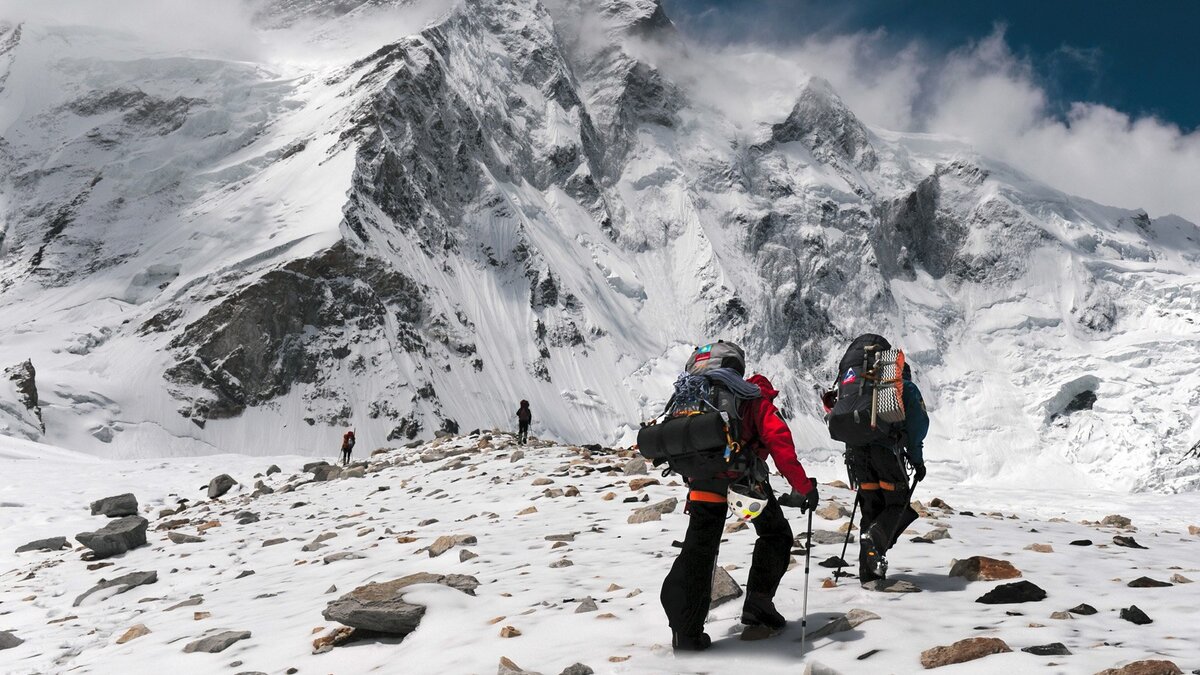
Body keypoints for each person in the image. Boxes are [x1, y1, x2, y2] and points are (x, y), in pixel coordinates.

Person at [657, 342, 819, 652]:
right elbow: (779, 442)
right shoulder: (750, 395)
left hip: (703, 483)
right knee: (775, 534)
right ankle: (758, 604)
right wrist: (803, 487)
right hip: (744, 483)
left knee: (699, 549)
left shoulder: (692, 394)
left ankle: (685, 631)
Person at [830, 336, 929, 584]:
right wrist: (917, 462)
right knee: (897, 505)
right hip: (886, 456)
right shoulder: (904, 388)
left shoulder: (854, 386)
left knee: (871, 508)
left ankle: (869, 573)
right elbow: (918, 428)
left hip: (856, 458)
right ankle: (875, 540)